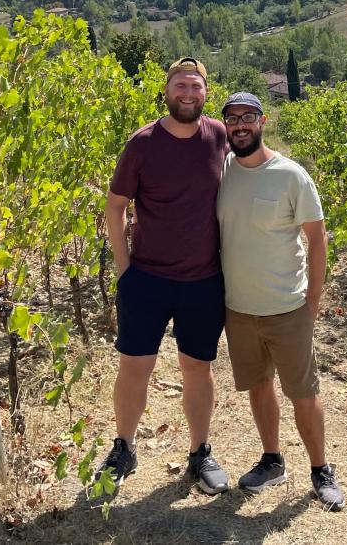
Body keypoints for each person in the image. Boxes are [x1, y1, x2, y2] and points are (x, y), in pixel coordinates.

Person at [98, 57, 230, 495]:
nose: (187, 92)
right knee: (135, 367)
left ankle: (200, 452)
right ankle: (124, 446)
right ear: (166, 90)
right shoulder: (142, 144)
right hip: (147, 281)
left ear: (206, 92)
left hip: (204, 280)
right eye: (180, 85)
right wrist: (124, 269)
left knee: (199, 369)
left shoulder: (219, 137)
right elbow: (115, 206)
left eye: (195, 85)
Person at [216, 92, 346, 511]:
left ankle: (321, 470)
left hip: (288, 308)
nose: (240, 124)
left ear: (262, 120)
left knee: (303, 393)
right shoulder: (222, 172)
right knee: (258, 387)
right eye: (232, 118)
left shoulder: (291, 175)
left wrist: (311, 304)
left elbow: (317, 241)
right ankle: (272, 460)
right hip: (238, 309)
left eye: (248, 117)